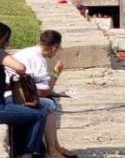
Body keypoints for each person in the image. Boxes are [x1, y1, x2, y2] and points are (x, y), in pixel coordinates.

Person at [0, 21, 49, 158]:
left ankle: (21, 151)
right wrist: (19, 73)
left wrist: (10, 86)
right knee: (40, 114)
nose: (7, 43)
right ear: (1, 38)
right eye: (7, 40)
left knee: (25, 112)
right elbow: (21, 67)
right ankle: (27, 155)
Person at [8, 30, 76, 158]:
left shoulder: (29, 52)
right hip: (13, 96)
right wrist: (56, 73)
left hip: (13, 92)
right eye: (58, 48)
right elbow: (45, 92)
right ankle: (52, 151)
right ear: (54, 48)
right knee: (48, 104)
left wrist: (55, 93)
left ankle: (56, 147)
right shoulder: (38, 59)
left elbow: (39, 88)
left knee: (50, 100)